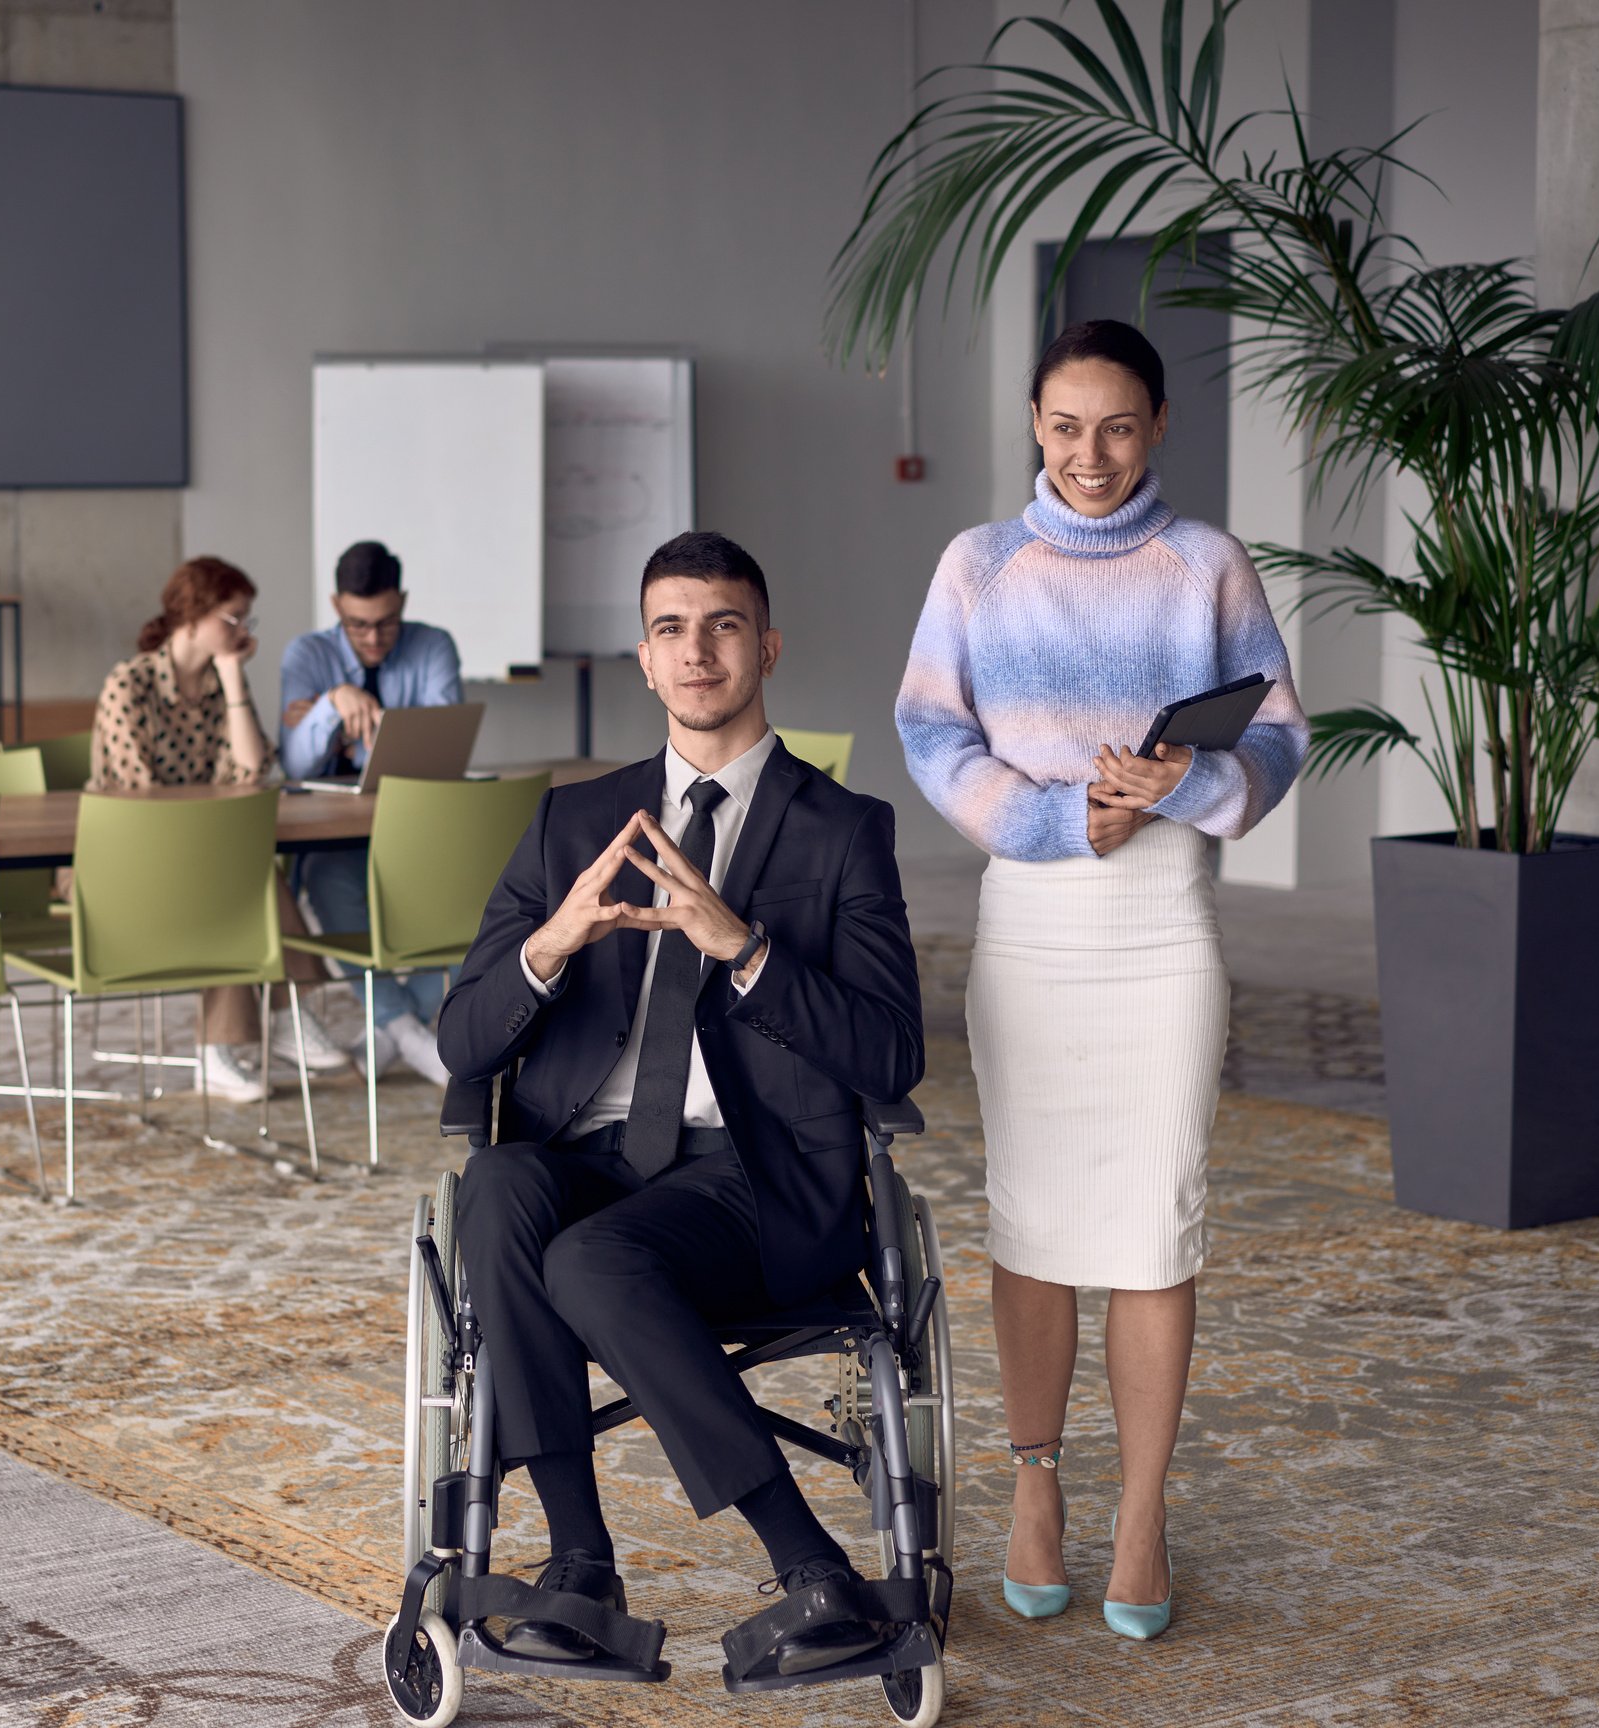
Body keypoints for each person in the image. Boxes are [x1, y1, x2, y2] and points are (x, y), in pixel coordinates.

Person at [439, 530, 925, 1672]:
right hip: (592, 1155)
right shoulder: (573, 823)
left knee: (591, 1263)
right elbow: (462, 1039)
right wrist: (553, 941)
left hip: (755, 1181)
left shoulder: (844, 830)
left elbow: (891, 1054)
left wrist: (746, 950)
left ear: (766, 647)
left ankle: (812, 1567)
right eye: (671, 629)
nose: (696, 651)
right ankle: (581, 1565)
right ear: (645, 662)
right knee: (503, 1184)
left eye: (721, 625)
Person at [894, 319, 1309, 1640]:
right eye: (1066, 427)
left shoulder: (1206, 565)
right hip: (1032, 921)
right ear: (1033, 422)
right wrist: (1054, 821)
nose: (1091, 453)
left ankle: (1141, 1510)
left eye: (1118, 427)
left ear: (1159, 426)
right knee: (1031, 1222)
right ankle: (1035, 1492)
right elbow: (929, 729)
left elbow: (1283, 735)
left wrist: (1184, 782)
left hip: (1163, 927)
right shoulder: (979, 565)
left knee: (1150, 1222)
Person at [91, 555, 355, 1101]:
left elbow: (252, 769)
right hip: (116, 862)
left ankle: (233, 1044)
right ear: (191, 615)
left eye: (246, 620)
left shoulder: (217, 685)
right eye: (232, 618)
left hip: (200, 855)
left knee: (237, 865)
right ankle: (280, 1018)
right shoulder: (129, 685)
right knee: (236, 867)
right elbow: (138, 802)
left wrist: (233, 675)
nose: (242, 631)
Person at [278, 540, 466, 1084]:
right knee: (328, 882)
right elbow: (294, 762)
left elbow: (441, 741)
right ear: (337, 606)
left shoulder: (433, 646)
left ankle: (392, 1027)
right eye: (359, 625)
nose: (374, 638)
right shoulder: (306, 656)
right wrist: (332, 701)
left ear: (402, 602)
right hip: (338, 835)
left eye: (386, 622)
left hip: (420, 825)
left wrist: (354, 729)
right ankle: (409, 1032)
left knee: (483, 885)